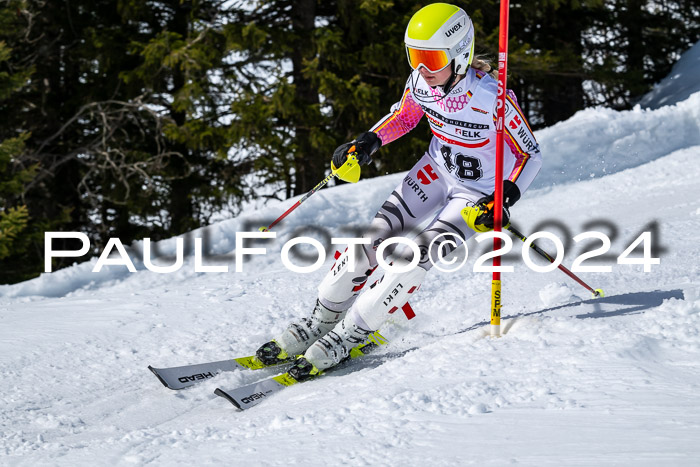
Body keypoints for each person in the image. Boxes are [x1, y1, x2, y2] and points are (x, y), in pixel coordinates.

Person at [255, 2, 542, 381]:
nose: (422, 69)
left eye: (432, 58)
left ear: (459, 56)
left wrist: (505, 195)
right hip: (435, 172)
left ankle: (352, 333)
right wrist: (369, 141)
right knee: (370, 243)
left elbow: (530, 153)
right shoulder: (422, 82)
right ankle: (320, 320)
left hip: (475, 194)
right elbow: (405, 115)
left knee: (412, 256)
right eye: (415, 57)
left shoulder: (493, 99)